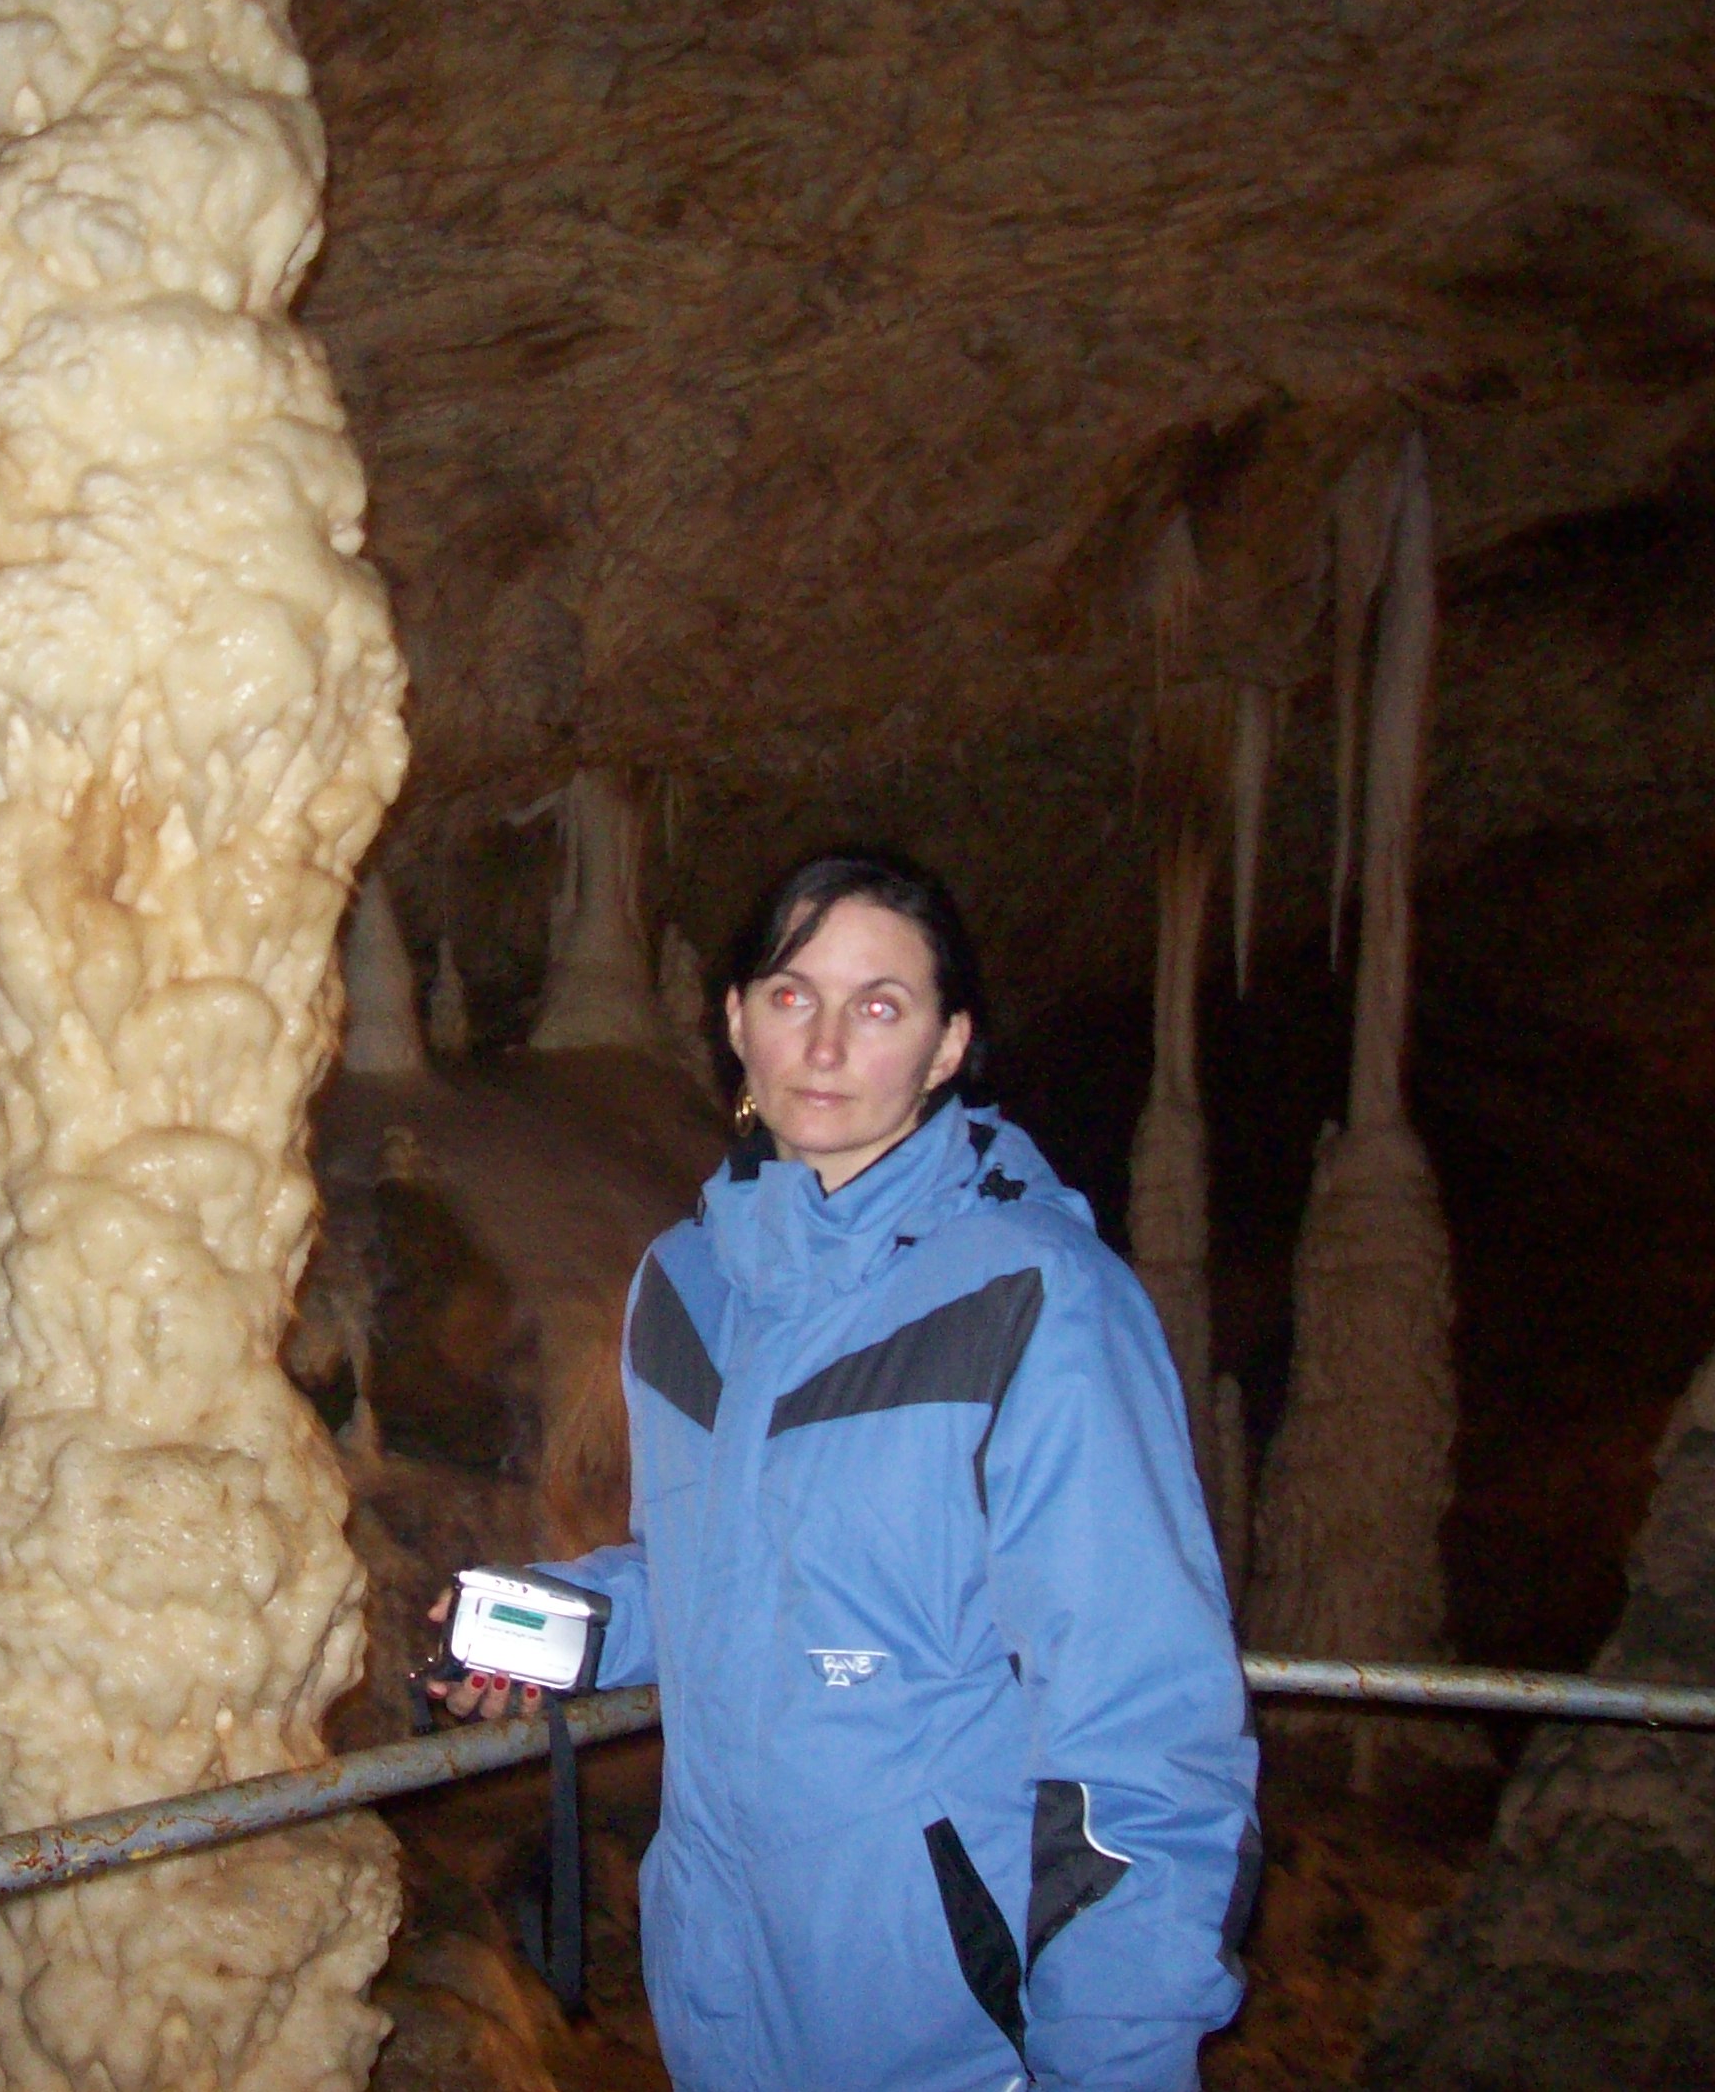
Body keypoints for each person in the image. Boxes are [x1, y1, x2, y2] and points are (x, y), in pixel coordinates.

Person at [428, 848, 1259, 2092]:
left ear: (945, 1046)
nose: (823, 1045)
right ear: (734, 1022)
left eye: (878, 1005)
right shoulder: (684, 1287)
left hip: (952, 2022)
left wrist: (1116, 2062)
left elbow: (1145, 1726)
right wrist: (575, 1625)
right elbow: (726, 1569)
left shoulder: (1033, 1297)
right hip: (723, 1990)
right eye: (790, 994)